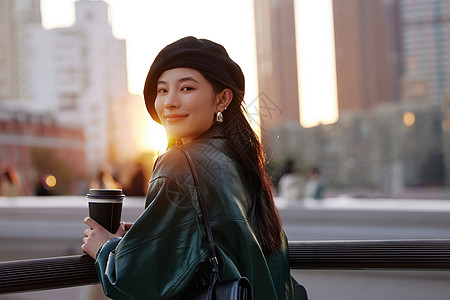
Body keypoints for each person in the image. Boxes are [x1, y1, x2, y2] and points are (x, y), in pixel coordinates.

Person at [81, 36, 296, 299]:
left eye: (186, 89)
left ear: (222, 99)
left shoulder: (180, 162)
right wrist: (149, 231)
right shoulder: (241, 159)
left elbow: (134, 280)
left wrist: (105, 247)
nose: (169, 102)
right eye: (162, 90)